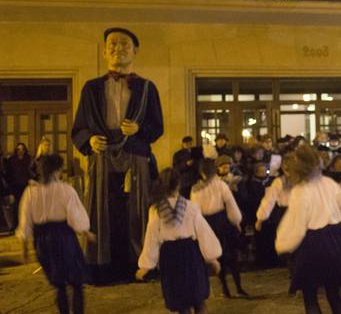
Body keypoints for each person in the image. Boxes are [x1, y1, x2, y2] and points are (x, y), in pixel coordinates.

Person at [72, 28, 164, 285]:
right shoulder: (91, 89)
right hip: (102, 158)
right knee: (102, 211)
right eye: (112, 44)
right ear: (104, 51)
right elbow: (78, 128)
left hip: (135, 156)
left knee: (137, 211)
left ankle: (142, 263)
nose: (117, 48)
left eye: (124, 44)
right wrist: (89, 140)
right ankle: (103, 268)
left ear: (135, 51)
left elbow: (157, 127)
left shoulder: (147, 88)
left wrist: (139, 130)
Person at [275, 145, 341, 314]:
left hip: (313, 244)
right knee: (334, 294)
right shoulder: (329, 184)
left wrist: (283, 244)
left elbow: (297, 226)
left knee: (310, 295)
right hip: (336, 239)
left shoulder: (300, 192)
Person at [16, 154, 94, 314]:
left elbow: (25, 221)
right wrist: (86, 232)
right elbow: (75, 216)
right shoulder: (65, 190)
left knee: (59, 284)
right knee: (76, 281)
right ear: (57, 170)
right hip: (63, 236)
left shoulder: (30, 192)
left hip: (42, 240)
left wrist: (24, 249)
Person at [137, 168, 222, 314]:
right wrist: (212, 257)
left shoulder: (156, 209)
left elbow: (152, 238)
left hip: (170, 256)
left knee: (181, 301)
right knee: (198, 300)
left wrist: (146, 266)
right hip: (191, 253)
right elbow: (203, 232)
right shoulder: (190, 207)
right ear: (179, 185)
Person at [190, 158, 246, 298]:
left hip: (207, 223)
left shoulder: (196, 189)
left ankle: (225, 288)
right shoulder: (220, 184)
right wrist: (236, 221)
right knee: (232, 255)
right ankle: (238, 287)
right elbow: (230, 204)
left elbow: (195, 212)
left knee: (217, 255)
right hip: (223, 221)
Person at [5, 142, 32, 230]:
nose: (20, 151)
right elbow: (8, 175)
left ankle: (25, 225)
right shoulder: (12, 160)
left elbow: (30, 172)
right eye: (18, 149)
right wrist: (10, 190)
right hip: (15, 187)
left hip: (25, 186)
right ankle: (15, 225)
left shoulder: (28, 159)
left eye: (22, 149)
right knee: (16, 207)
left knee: (26, 207)